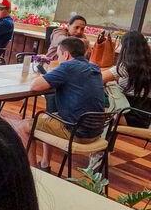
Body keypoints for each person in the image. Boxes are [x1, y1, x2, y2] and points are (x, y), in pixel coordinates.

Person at [18, 36, 106, 170]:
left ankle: (32, 172)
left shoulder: (68, 66)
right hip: (96, 130)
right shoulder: (94, 68)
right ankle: (45, 164)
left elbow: (35, 86)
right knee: (48, 117)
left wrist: (46, 76)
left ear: (65, 54)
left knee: (23, 126)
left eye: (58, 55)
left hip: (76, 132)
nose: (58, 59)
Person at [102, 30, 151, 128]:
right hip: (145, 116)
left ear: (126, 48)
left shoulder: (126, 66)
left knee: (101, 93)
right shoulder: (148, 64)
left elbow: (98, 79)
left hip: (126, 115)